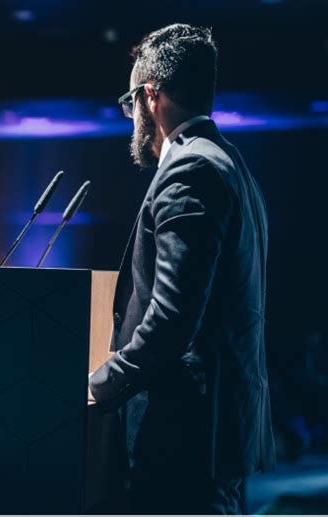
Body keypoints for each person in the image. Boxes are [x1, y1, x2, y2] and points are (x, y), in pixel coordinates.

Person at [88, 23, 276, 514]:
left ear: (150, 96)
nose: (131, 117)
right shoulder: (232, 164)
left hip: (184, 434)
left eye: (130, 103)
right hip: (217, 430)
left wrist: (102, 383)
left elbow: (173, 318)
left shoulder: (190, 171)